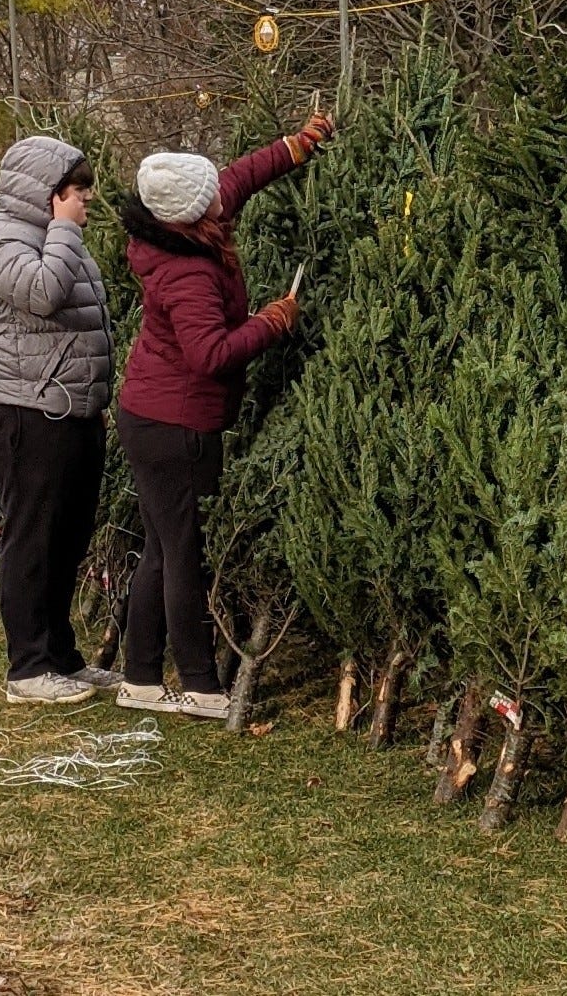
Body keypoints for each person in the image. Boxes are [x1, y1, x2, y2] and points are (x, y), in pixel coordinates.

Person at [113, 111, 336, 719]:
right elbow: (209, 355)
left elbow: (237, 178)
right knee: (181, 551)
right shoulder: (186, 271)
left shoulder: (181, 226)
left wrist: (296, 145)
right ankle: (201, 686)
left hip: (153, 414)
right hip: (174, 426)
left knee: (162, 547)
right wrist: (271, 322)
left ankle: (138, 680)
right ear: (192, 213)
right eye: (212, 197)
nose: (223, 198)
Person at [0, 136, 123, 705]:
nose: (86, 203)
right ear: (50, 194)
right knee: (33, 536)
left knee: (68, 536)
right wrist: (62, 230)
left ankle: (61, 656)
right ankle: (27, 668)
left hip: (73, 408)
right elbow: (42, 294)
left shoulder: (56, 238)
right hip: (26, 409)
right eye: (79, 193)